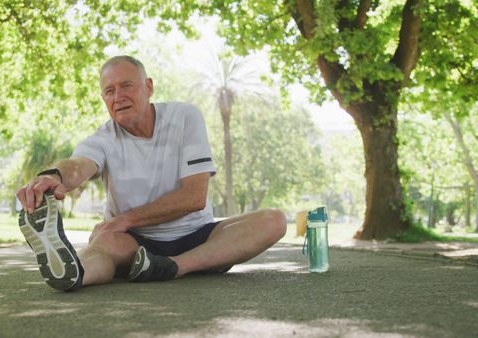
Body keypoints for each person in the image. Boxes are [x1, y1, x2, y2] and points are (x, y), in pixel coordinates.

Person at [15, 55, 287, 292]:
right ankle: (75, 274)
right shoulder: (103, 138)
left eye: (126, 86)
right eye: (109, 91)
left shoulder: (185, 118)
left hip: (197, 236)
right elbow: (77, 165)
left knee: (273, 220)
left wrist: (124, 219)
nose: (118, 96)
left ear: (149, 87)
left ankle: (174, 266)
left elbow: (194, 197)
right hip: (134, 244)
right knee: (102, 245)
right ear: (104, 99)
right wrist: (54, 177)